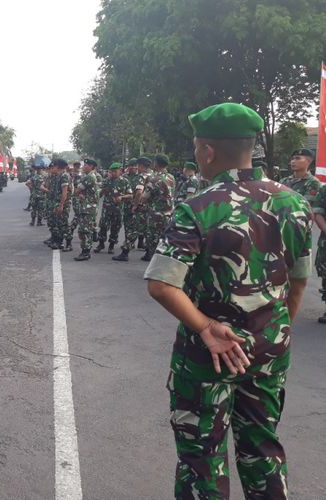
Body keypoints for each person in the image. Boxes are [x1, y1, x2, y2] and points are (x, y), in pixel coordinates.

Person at [145, 102, 311, 499]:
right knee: (263, 451)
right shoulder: (294, 202)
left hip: (209, 355)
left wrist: (205, 327)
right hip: (268, 350)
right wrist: (273, 333)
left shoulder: (199, 207)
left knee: (202, 459)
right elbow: (299, 282)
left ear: (207, 151)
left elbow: (161, 283)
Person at [140, 154, 175, 261]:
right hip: (168, 214)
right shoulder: (171, 177)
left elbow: (144, 197)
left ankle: (154, 267)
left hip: (156, 215)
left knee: (152, 241)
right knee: (164, 240)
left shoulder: (154, 179)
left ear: (156, 163)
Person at [95, 162, 132, 254]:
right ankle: (101, 243)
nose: (113, 173)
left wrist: (122, 197)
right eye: (112, 171)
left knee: (115, 228)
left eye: (115, 171)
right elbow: (99, 194)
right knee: (103, 226)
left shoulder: (125, 181)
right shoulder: (107, 181)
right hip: (106, 209)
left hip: (118, 209)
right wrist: (102, 191)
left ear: (120, 171)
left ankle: (111, 246)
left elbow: (131, 195)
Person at [71, 159, 100, 261]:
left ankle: (86, 252)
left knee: (85, 231)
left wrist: (78, 192)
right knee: (84, 230)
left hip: (88, 208)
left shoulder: (89, 177)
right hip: (86, 207)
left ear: (92, 167)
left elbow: (76, 191)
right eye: (85, 165)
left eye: (87, 165)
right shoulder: (87, 176)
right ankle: (85, 250)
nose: (84, 166)